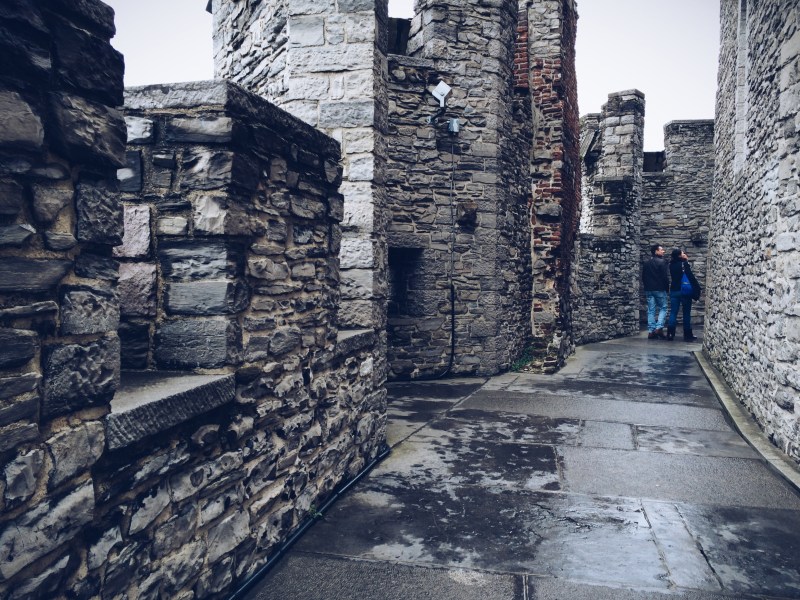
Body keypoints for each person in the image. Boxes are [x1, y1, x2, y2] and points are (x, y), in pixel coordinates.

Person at [667, 248, 701, 341]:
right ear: (679, 255)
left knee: (673, 312)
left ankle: (670, 334)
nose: (684, 254)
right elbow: (690, 276)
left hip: (674, 290)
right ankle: (687, 335)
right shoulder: (684, 264)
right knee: (686, 313)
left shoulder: (671, 265)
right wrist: (686, 260)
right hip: (684, 290)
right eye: (682, 253)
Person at [642, 244, 669, 339]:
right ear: (656, 251)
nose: (663, 251)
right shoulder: (662, 262)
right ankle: (658, 327)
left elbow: (643, 277)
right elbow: (665, 277)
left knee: (651, 310)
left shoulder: (646, 263)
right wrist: (667, 288)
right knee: (663, 308)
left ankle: (651, 331)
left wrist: (646, 287)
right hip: (659, 289)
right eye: (661, 250)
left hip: (649, 289)